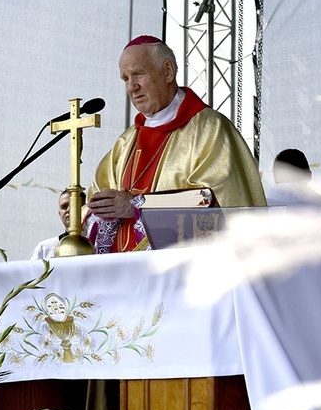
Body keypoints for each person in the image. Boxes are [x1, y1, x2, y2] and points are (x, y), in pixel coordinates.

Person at [85, 35, 266, 253]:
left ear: (168, 71)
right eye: (125, 79)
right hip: (124, 272)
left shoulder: (210, 130)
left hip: (186, 270)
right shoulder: (125, 144)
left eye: (138, 74)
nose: (131, 86)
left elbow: (215, 202)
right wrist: (97, 209)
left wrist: (136, 205)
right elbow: (92, 203)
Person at [28, 189, 86, 260]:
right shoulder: (45, 249)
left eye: (74, 205)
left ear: (86, 209)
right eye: (64, 207)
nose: (68, 210)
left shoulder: (98, 244)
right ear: (60, 214)